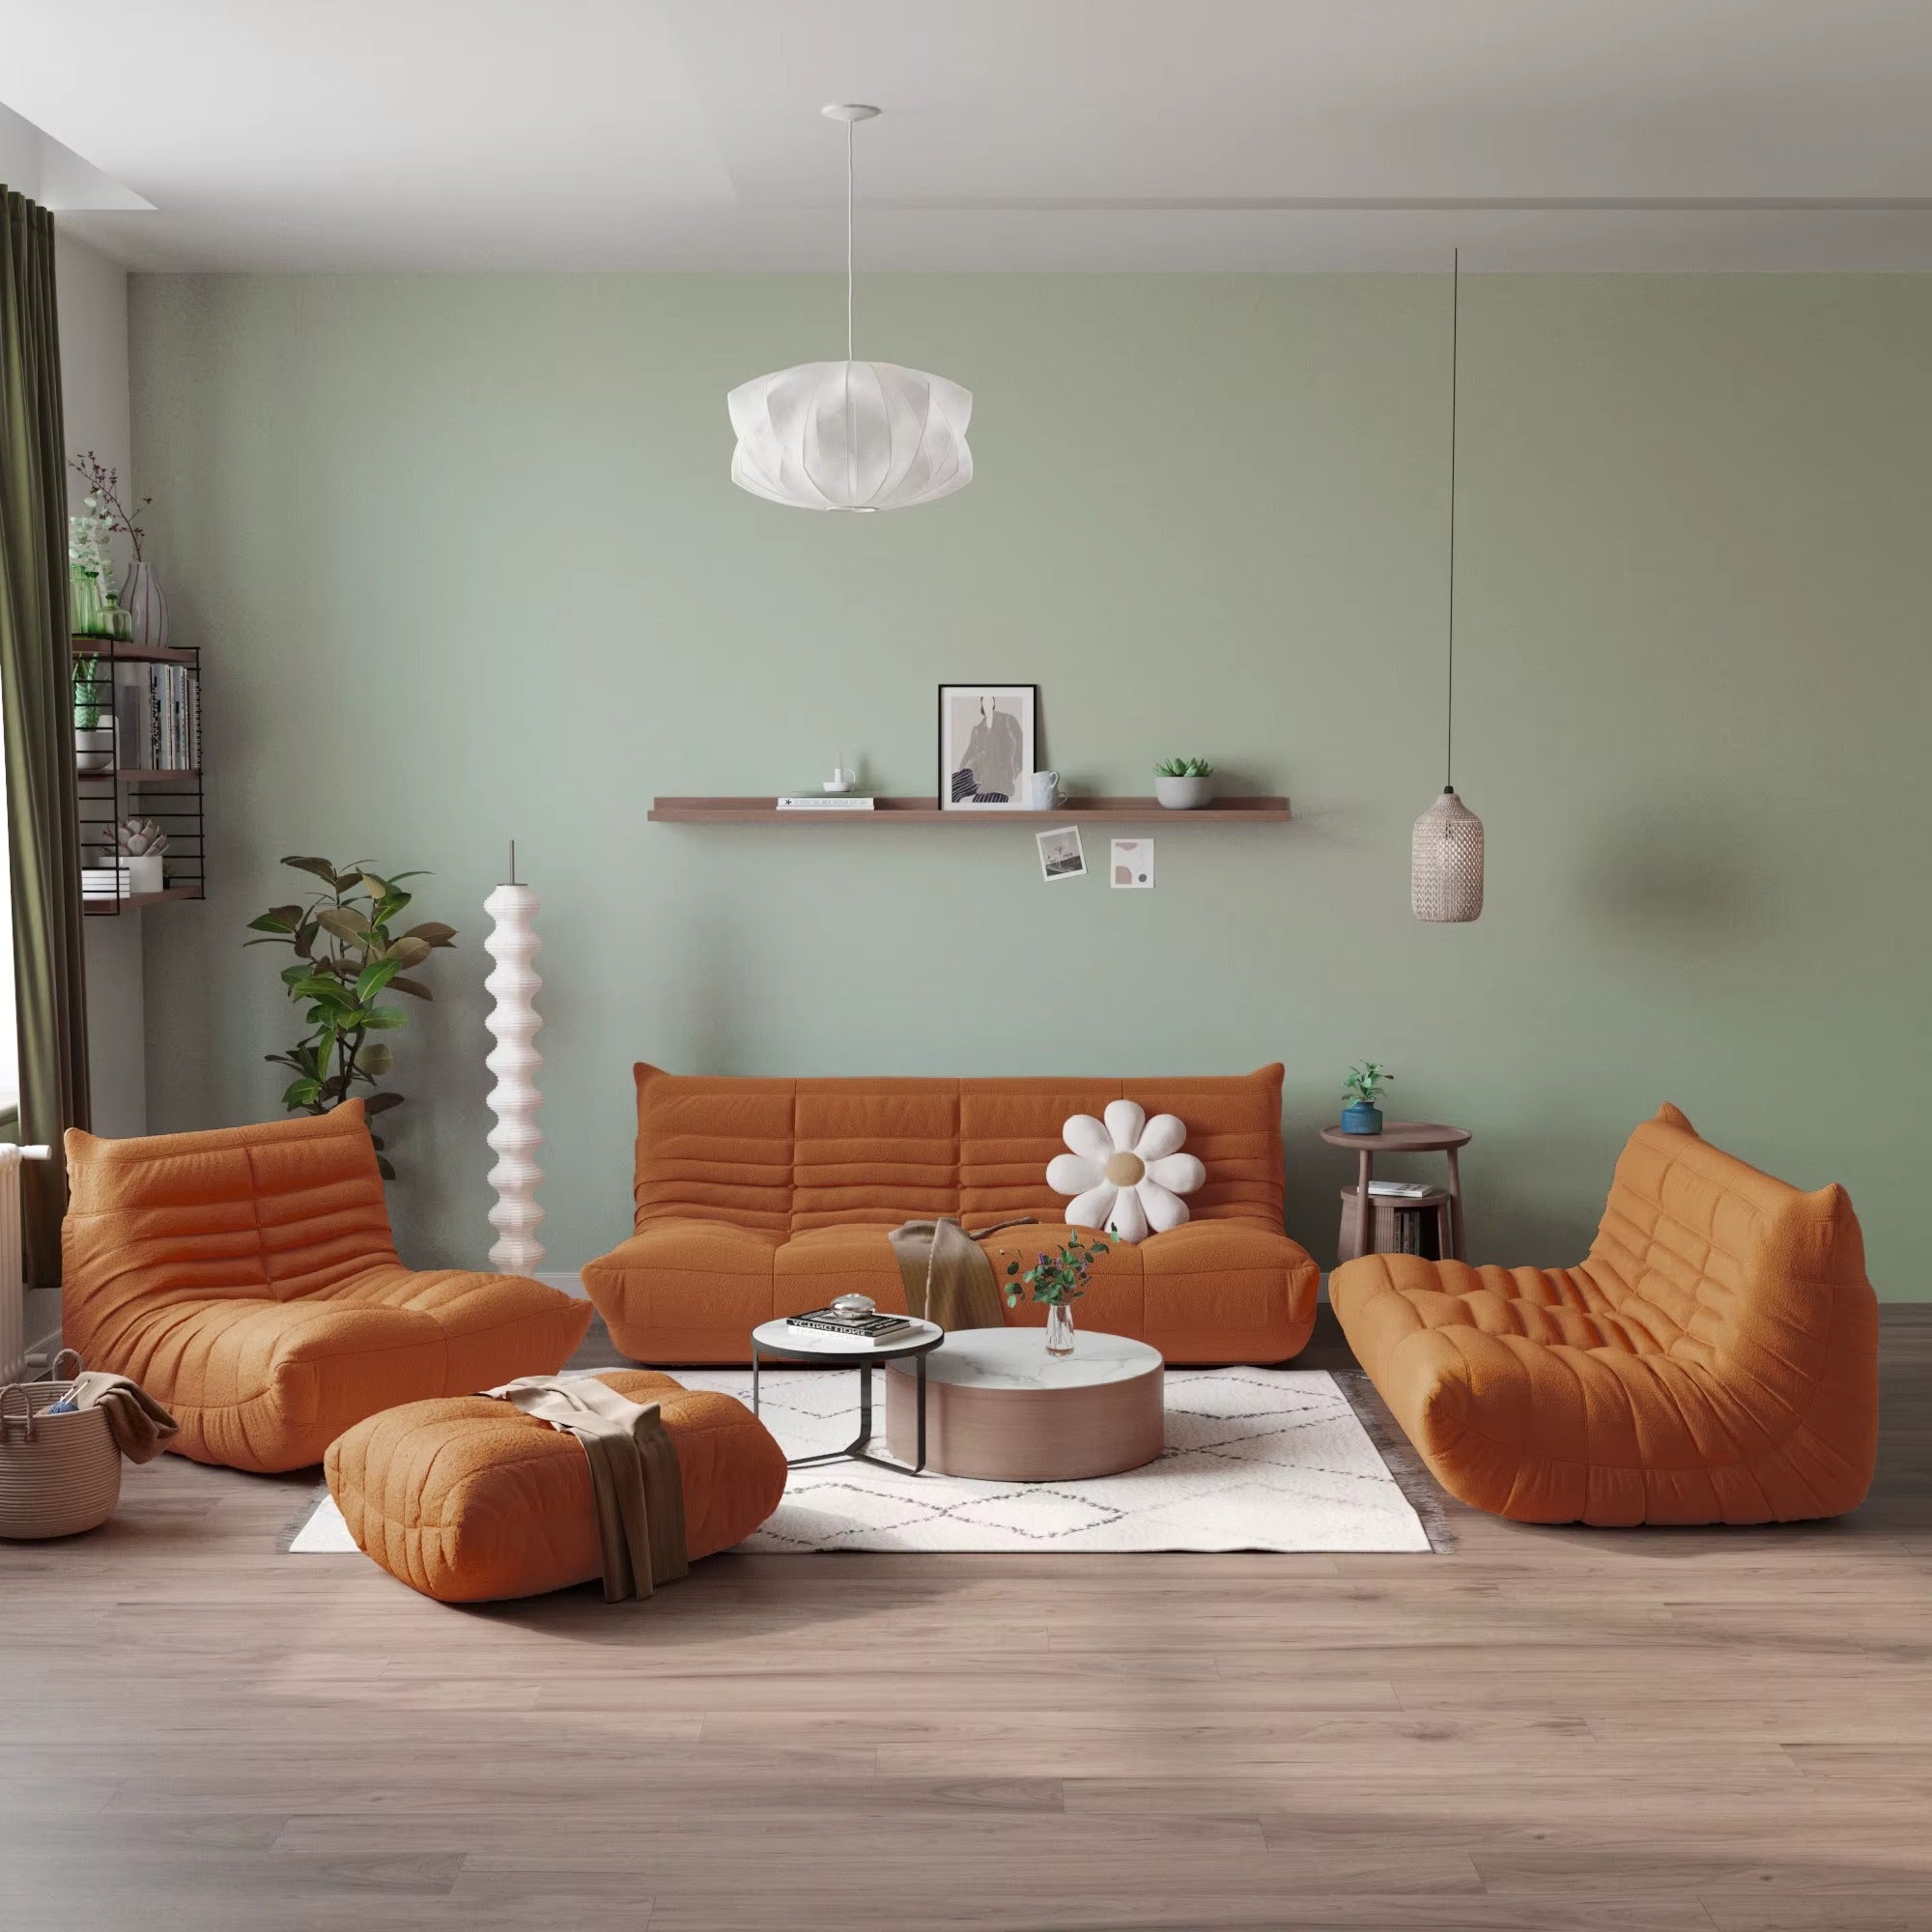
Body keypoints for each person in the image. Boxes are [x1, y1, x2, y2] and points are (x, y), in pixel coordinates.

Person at [957, 695, 1022, 802]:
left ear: (994, 703)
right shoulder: (977, 729)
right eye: (985, 701)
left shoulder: (1008, 720)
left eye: (990, 701)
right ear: (981, 704)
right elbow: (969, 752)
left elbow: (1022, 744)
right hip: (984, 784)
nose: (988, 703)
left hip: (1003, 782)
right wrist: (961, 774)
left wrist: (1015, 770)